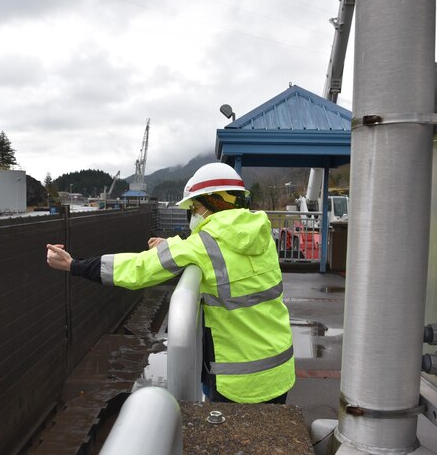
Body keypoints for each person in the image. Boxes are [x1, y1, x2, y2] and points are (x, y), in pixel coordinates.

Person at [46, 162, 294, 404]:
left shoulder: (202, 246)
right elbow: (228, 253)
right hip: (279, 369)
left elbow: (138, 269)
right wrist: (173, 246)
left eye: (194, 207)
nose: (193, 214)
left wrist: (74, 264)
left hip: (239, 381)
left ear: (210, 204)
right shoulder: (262, 233)